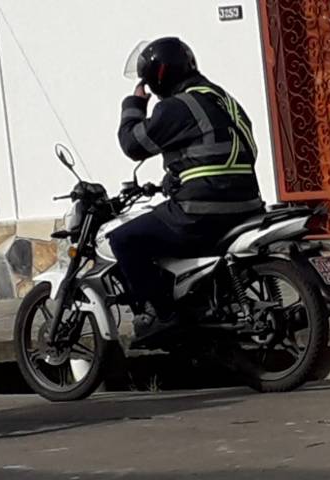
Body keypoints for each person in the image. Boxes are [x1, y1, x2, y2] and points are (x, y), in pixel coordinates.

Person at [111, 37, 265, 348]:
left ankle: (164, 314)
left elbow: (133, 144)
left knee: (124, 239)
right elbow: (214, 152)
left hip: (203, 210)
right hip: (248, 205)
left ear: (159, 75)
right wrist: (175, 179)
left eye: (149, 81)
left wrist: (134, 104)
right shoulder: (222, 99)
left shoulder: (178, 106)